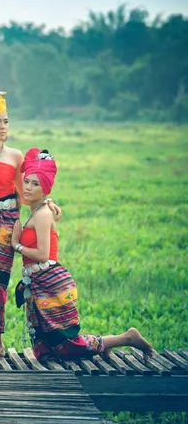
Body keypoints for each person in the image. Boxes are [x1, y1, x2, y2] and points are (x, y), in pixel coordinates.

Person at [12, 147, 153, 361]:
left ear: (46, 189)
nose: (28, 188)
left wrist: (16, 245)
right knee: (45, 349)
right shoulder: (36, 209)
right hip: (37, 282)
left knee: (66, 345)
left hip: (49, 281)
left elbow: (42, 254)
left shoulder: (41, 215)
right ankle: (101, 346)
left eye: (36, 184)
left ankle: (127, 337)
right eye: (27, 182)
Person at [0, 90, 61, 359]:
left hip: (7, 224)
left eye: (6, 121)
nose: (4, 127)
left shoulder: (16, 156)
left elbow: (25, 193)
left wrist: (47, 203)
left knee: (0, 283)